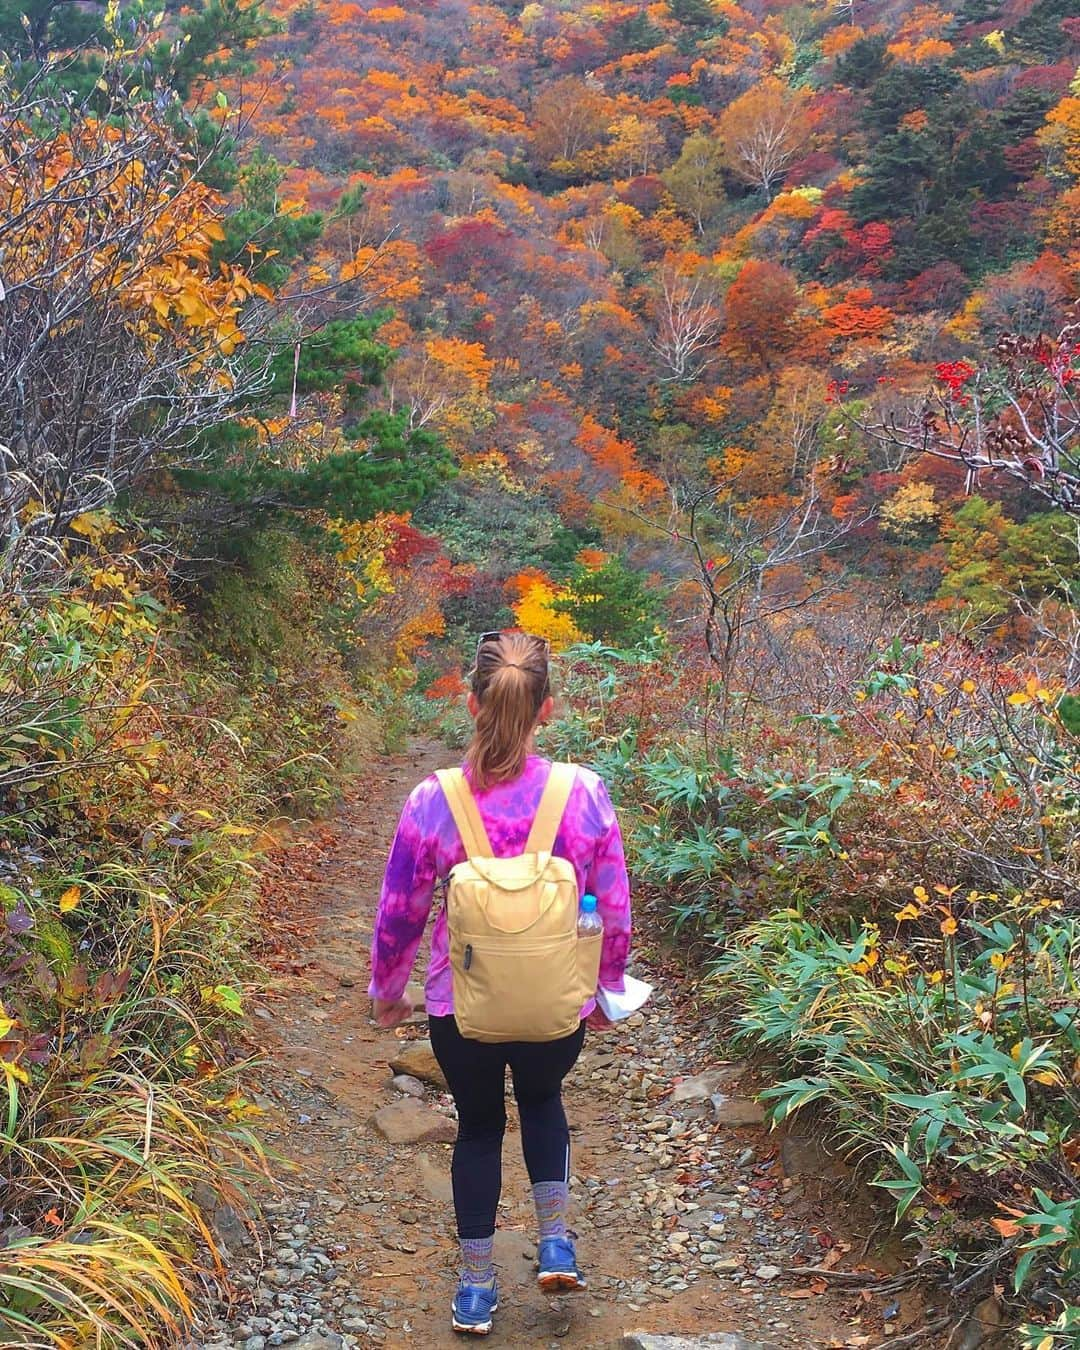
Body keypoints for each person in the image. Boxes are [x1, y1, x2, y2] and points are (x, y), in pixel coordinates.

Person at [368, 630, 632, 1336]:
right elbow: (614, 904)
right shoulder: (584, 794)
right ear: (547, 709)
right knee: (544, 1101)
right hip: (554, 1003)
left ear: (471, 702)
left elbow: (401, 910)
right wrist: (605, 985)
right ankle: (553, 1240)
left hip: (463, 1007)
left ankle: (478, 1286)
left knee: (479, 1129)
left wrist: (389, 991)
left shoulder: (434, 800)